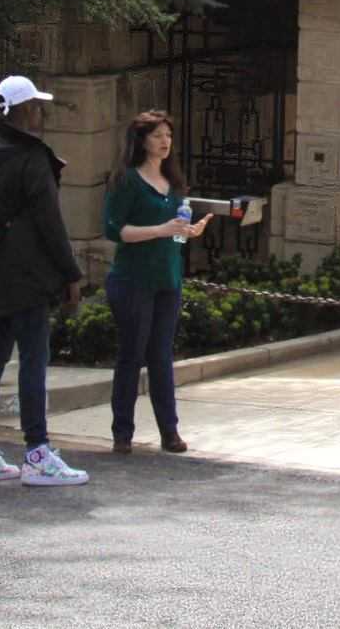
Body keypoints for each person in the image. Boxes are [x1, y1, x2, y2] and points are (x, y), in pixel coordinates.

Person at [0, 75, 89, 487]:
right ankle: (37, 452)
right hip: (29, 276)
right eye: (34, 105)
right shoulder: (32, 159)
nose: (40, 112)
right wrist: (70, 273)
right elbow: (50, 224)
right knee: (33, 362)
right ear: (20, 111)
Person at [103, 109, 212, 455]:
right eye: (157, 136)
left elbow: (176, 235)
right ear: (142, 141)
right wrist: (160, 230)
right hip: (133, 279)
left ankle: (170, 431)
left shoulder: (175, 183)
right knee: (132, 355)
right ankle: (123, 432)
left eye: (168, 135)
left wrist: (187, 233)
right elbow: (115, 230)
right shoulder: (127, 180)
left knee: (162, 356)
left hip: (168, 277)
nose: (165, 142)